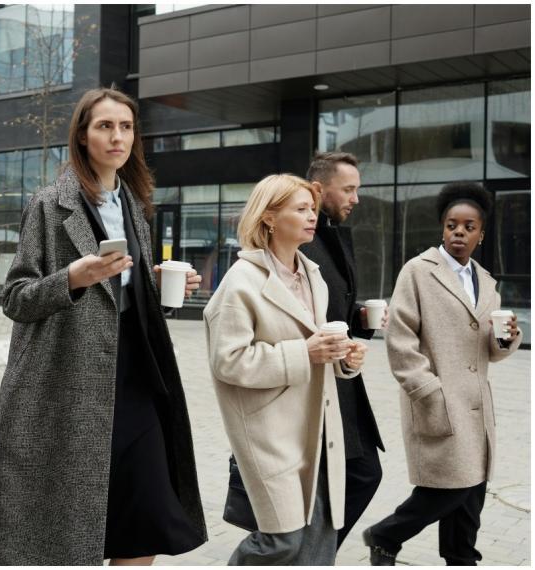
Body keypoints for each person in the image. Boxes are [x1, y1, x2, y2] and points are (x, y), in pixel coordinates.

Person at [0, 87, 207, 566]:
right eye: (105, 126)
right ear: (82, 136)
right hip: (67, 388)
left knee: (144, 526)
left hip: (136, 380)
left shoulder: (135, 207)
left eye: (126, 127)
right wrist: (72, 279)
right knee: (68, 536)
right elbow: (16, 298)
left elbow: (124, 296)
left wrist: (161, 289)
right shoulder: (49, 204)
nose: (117, 136)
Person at [204, 174, 368, 565]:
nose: (312, 216)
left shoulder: (313, 276)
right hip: (268, 431)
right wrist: (305, 354)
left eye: (312, 208)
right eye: (300, 209)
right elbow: (228, 361)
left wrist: (345, 360)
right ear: (270, 218)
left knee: (320, 540)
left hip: (318, 426)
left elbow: (317, 346)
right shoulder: (240, 283)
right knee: (282, 540)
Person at [363, 182, 521, 566]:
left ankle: (461, 558)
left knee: (472, 494)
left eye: (469, 227)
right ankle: (384, 534)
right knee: (448, 488)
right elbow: (400, 340)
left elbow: (490, 351)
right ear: (442, 229)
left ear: (481, 234)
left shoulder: (486, 282)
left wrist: (507, 340)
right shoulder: (418, 272)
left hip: (477, 407)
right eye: (452, 225)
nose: (459, 233)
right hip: (438, 401)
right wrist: (427, 389)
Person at [300, 152, 386, 547]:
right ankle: (310, 553)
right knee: (353, 476)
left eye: (357, 189)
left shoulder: (332, 235)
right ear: (319, 190)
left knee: (363, 474)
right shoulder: (301, 240)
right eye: (348, 189)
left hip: (344, 380)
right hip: (315, 382)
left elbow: (336, 306)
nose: (356, 198)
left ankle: (315, 552)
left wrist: (361, 318)